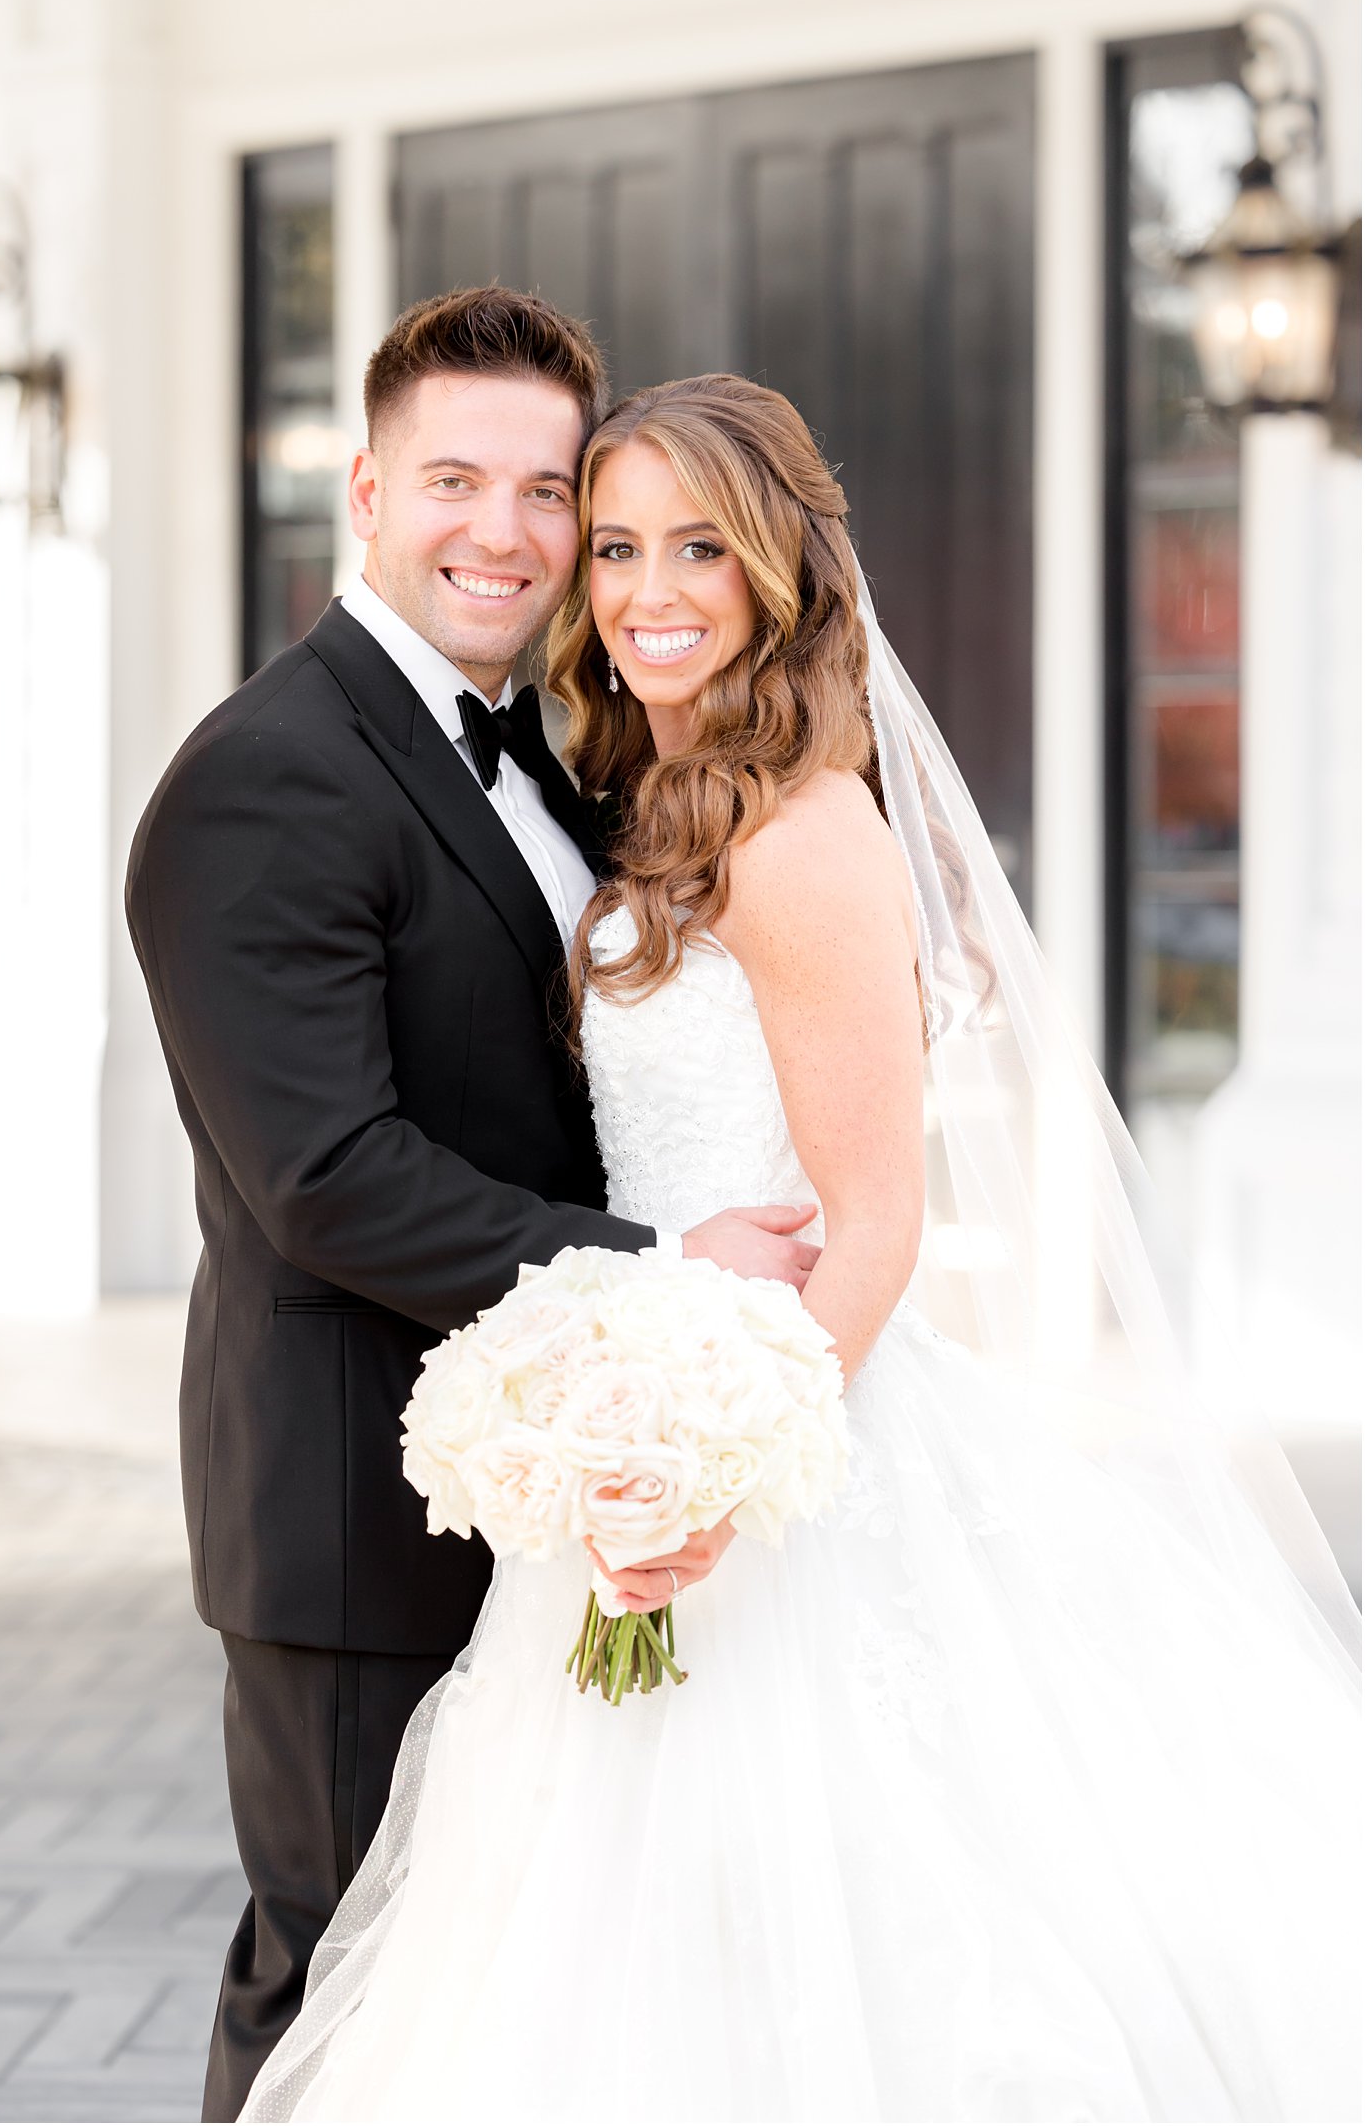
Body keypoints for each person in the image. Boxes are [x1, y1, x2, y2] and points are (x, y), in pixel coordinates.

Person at [241, 372, 1361, 2125]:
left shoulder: (803, 826)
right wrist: (637, 1429)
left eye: (700, 544)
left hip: (786, 1468)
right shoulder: (655, 793)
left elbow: (881, 1222)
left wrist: (715, 1471)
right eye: (613, 545)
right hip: (652, 1444)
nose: (645, 588)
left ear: (780, 569)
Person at [124, 298, 819, 2122]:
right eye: (452, 479)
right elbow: (324, 1172)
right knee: (346, 1991)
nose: (501, 533)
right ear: (364, 488)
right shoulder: (269, 775)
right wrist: (666, 1278)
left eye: (543, 491)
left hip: (555, 1480)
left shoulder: (567, 750)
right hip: (357, 1505)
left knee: (521, 2008)